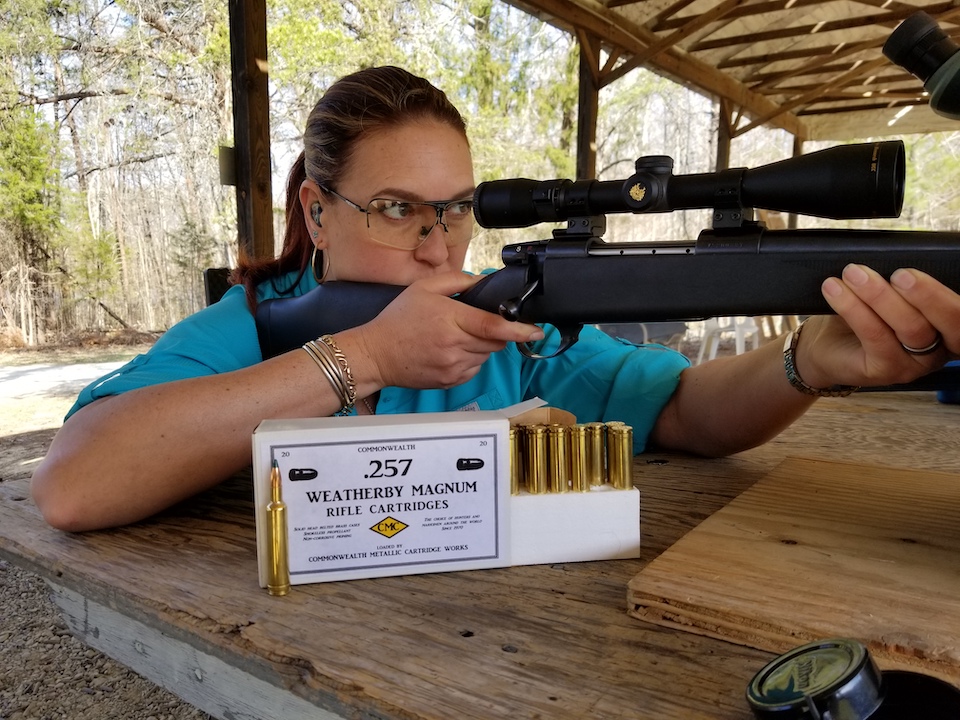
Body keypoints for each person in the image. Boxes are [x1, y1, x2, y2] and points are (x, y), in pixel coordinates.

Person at [31, 66, 959, 532]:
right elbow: (73, 483)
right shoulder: (251, 327)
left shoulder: (506, 327)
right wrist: (370, 358)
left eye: (459, 210)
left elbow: (681, 410)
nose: (440, 244)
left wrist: (809, 362)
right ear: (317, 210)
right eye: (397, 210)